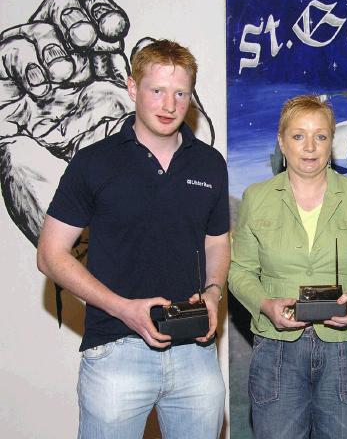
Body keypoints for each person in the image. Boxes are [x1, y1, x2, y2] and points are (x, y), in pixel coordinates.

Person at [36, 39, 229, 438]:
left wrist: (213, 293)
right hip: (115, 350)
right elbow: (51, 255)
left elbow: (216, 243)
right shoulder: (94, 161)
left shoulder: (210, 163)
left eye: (180, 93)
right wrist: (123, 308)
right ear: (131, 87)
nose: (169, 104)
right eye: (156, 90)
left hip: (194, 350)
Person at [228, 95, 347, 439]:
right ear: (281, 141)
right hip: (277, 347)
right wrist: (265, 304)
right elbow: (239, 271)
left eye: (321, 136)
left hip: (346, 348)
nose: (310, 147)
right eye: (298, 136)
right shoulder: (256, 197)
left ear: (332, 142)